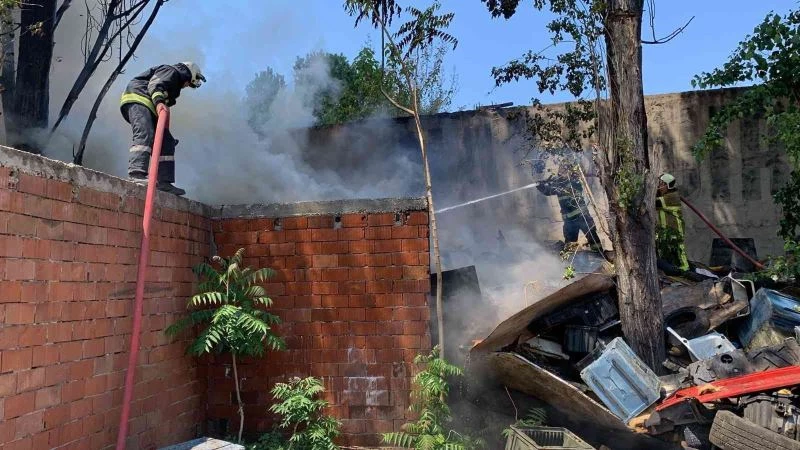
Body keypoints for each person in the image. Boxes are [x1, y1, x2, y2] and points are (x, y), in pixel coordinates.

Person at [120, 62, 206, 196]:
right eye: (188, 83)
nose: (186, 86)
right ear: (189, 74)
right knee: (145, 133)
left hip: (150, 106)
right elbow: (155, 85)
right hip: (139, 98)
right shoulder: (170, 71)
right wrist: (159, 102)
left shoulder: (174, 85)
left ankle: (164, 183)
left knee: (167, 142)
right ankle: (136, 174)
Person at [536, 160, 602, 250]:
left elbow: (566, 189)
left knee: (593, 239)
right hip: (569, 221)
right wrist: (541, 186)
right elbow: (548, 191)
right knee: (569, 247)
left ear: (570, 171)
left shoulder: (575, 181)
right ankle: (572, 262)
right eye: (561, 169)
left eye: (565, 169)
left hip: (582, 217)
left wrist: (554, 186)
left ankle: (599, 257)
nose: (562, 171)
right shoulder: (558, 182)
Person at [655, 173, 690, 271]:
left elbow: (654, 202)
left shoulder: (671, 197)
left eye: (662, 184)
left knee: (678, 250)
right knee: (665, 252)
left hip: (675, 229)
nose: (659, 186)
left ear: (667, 185)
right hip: (665, 230)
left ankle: (685, 270)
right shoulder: (666, 195)